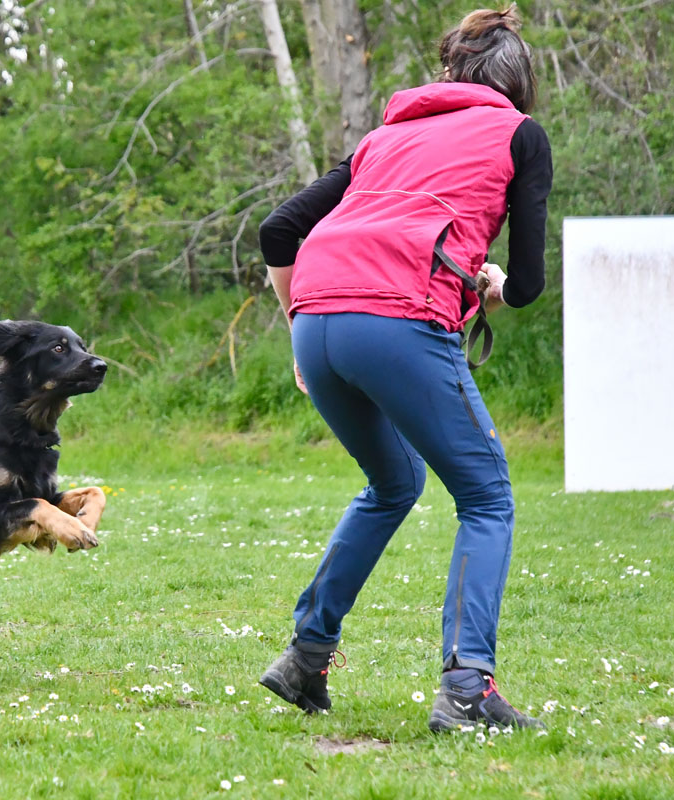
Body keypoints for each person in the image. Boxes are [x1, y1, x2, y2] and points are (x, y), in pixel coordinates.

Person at [255, 6, 552, 732]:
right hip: (398, 320)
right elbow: (532, 283)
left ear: (450, 71)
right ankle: (466, 688)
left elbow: (279, 230)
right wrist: (498, 286)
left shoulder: (384, 137)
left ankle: (304, 659)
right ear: (517, 85)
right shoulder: (519, 134)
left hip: (320, 320)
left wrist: (302, 332)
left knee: (395, 483)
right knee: (486, 497)